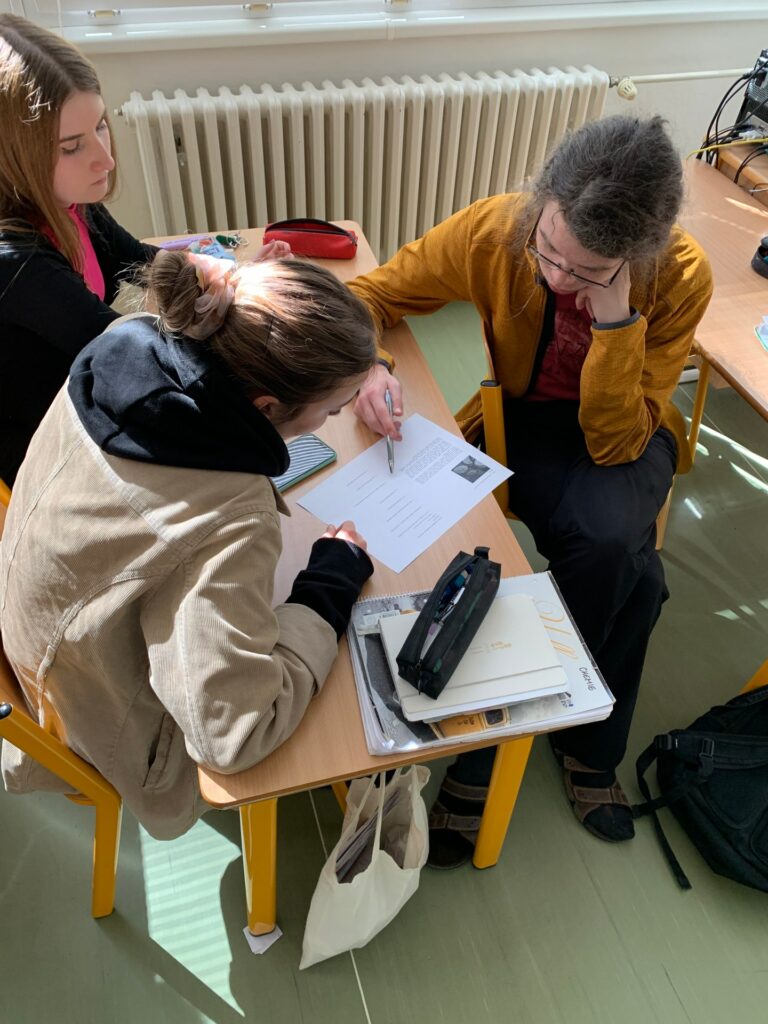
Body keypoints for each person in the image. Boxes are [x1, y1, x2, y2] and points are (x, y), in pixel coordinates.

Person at [348, 114, 714, 865]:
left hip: (629, 428)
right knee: (636, 577)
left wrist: (615, 320)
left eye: (590, 270)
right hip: (525, 423)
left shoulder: (680, 275)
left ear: (639, 255)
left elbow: (617, 441)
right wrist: (372, 367)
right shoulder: (495, 230)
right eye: (549, 248)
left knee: (609, 543)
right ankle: (587, 748)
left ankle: (487, 750)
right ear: (542, 201)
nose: (558, 278)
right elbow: (370, 295)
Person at [0, 251, 377, 840]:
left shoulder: (121, 344)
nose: (331, 420)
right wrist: (330, 584)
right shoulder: (231, 520)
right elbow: (233, 736)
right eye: (330, 410)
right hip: (98, 725)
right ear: (267, 407)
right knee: (346, 707)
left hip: (42, 648)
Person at [0, 16, 148, 485]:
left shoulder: (70, 204)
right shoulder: (15, 263)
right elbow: (134, 352)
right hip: (45, 463)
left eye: (101, 125)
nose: (105, 158)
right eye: (71, 146)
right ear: (13, 155)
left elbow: (136, 259)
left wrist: (219, 271)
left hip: (86, 406)